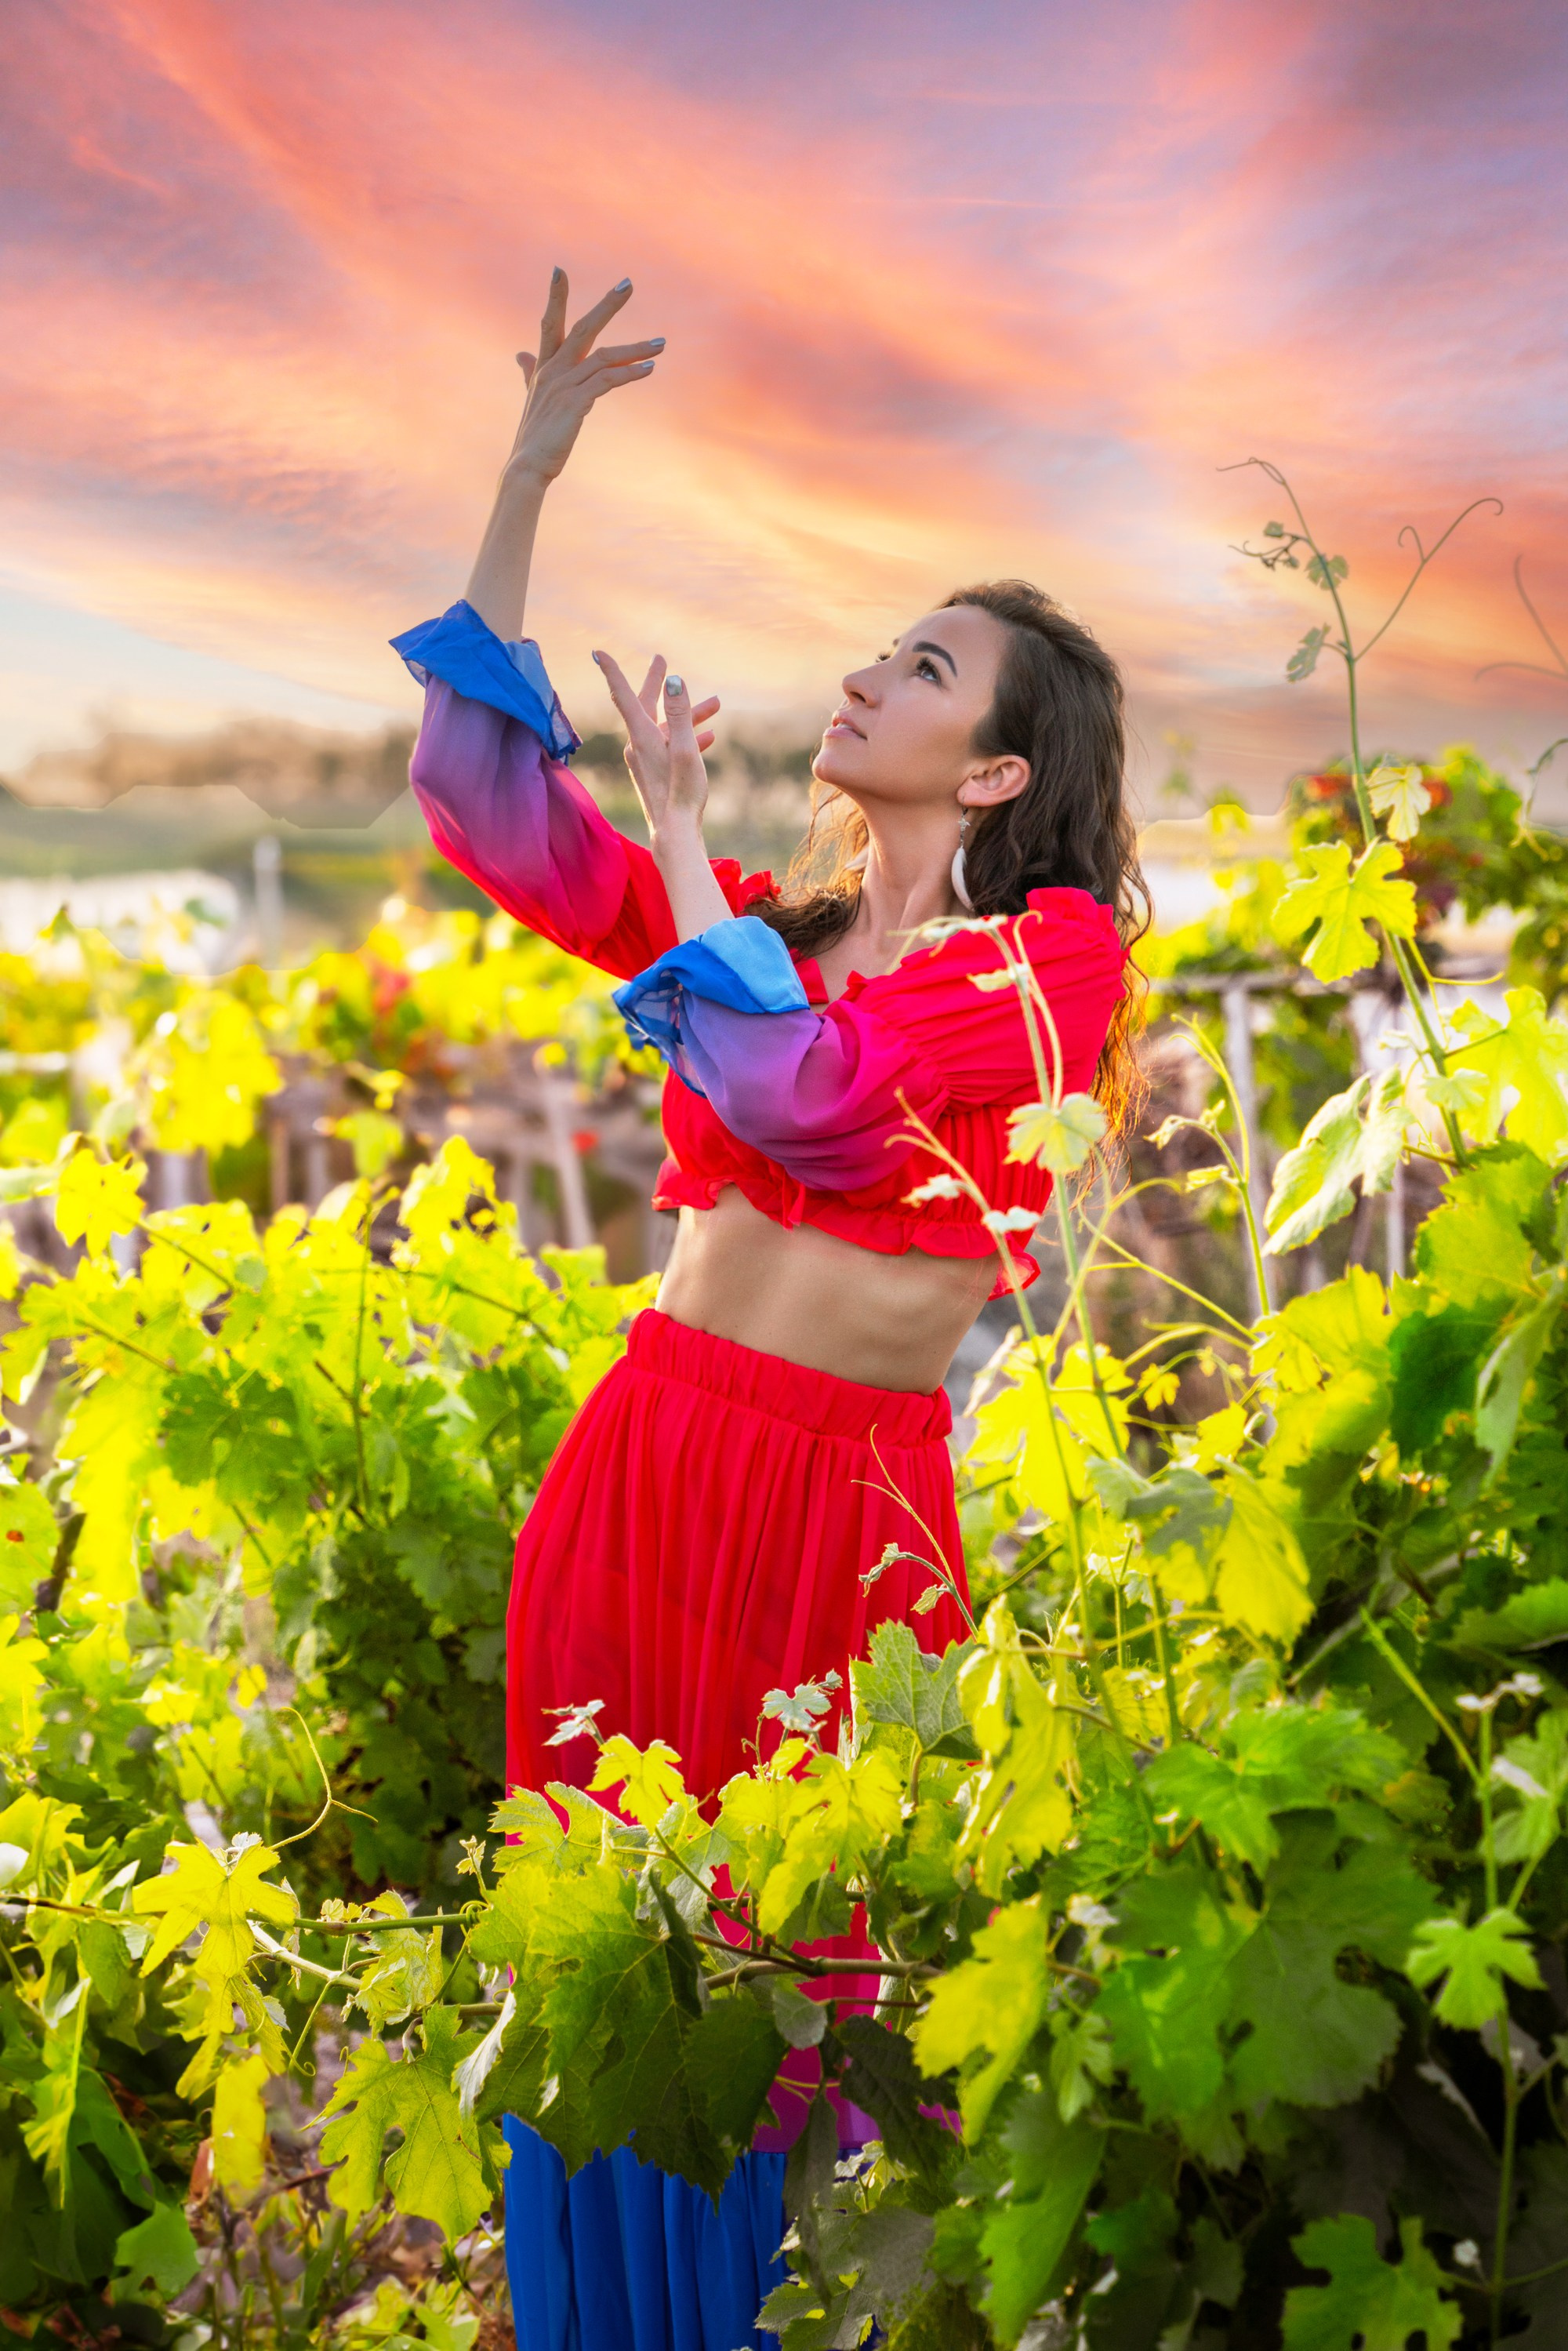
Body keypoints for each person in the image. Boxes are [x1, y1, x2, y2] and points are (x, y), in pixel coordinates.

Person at [393, 270, 1143, 2351]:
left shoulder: (1053, 959)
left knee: (791, 1992)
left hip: (842, 1522)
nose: (869, 674)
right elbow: (484, 804)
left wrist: (685, 837)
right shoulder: (772, 931)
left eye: (927, 667)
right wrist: (528, 472)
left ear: (999, 774)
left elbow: (814, 1109)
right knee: (606, 1966)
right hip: (647, 1467)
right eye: (881, 645)